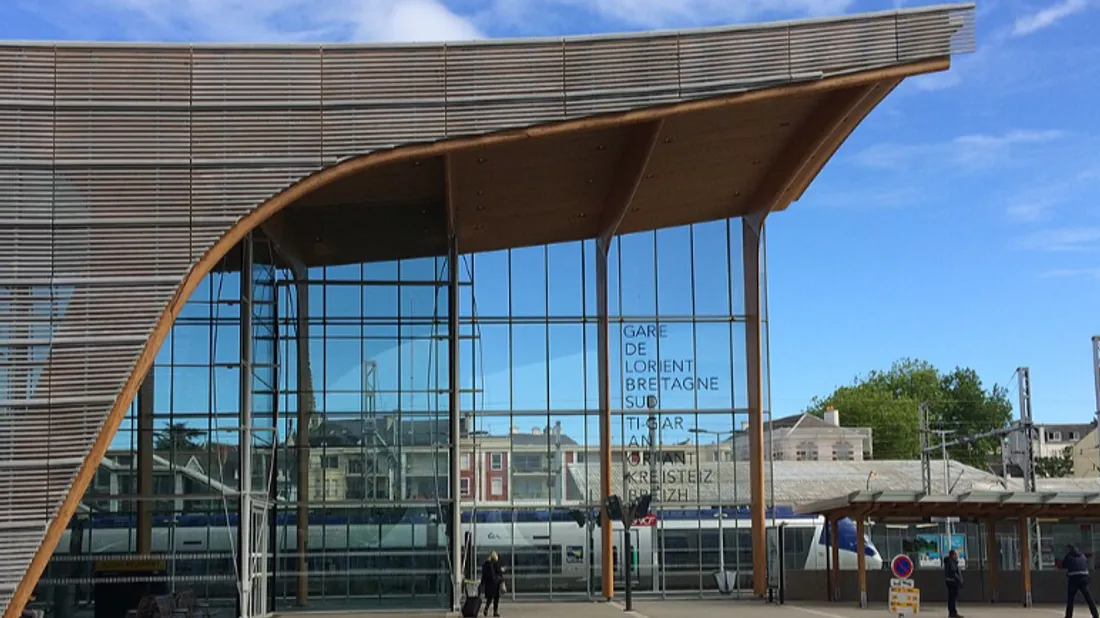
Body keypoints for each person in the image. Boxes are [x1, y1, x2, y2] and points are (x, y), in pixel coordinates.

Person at [1062, 544, 1099, 618]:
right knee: (1088, 597)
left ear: (1070, 550)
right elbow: (1085, 563)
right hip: (1084, 576)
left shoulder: (1069, 555)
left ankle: (1068, 616)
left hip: (1073, 577)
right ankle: (1095, 614)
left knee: (1071, 598)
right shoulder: (1082, 555)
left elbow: (1064, 565)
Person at [481, 551, 504, 618]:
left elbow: (483, 575)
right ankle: (495, 612)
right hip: (495, 583)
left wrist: (482, 583)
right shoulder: (495, 563)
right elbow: (498, 573)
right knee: (496, 598)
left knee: (490, 598)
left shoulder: (485, 564)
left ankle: (486, 608)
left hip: (488, 584)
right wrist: (501, 579)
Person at [943, 549, 964, 618]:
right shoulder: (951, 562)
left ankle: (952, 612)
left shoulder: (949, 561)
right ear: (953, 555)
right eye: (956, 554)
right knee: (953, 598)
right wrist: (959, 580)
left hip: (949, 581)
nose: (957, 556)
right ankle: (953, 612)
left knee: (951, 598)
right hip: (953, 582)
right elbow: (953, 572)